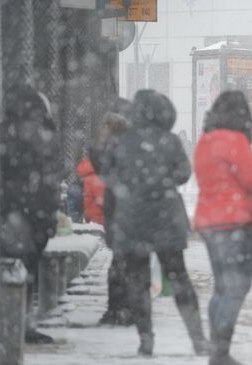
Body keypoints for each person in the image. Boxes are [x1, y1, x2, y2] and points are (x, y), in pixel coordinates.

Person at [103, 90, 209, 356]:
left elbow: (110, 182)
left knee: (138, 280)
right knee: (179, 277)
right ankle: (197, 338)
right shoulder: (170, 140)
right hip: (166, 219)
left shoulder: (122, 141)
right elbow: (184, 174)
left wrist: (112, 223)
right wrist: (163, 180)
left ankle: (145, 338)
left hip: (132, 219)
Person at [194, 90, 252, 365]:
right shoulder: (236, 141)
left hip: (209, 223)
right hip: (234, 223)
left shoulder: (205, 141)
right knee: (236, 287)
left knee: (222, 287)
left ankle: (217, 347)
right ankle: (220, 352)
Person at [0, 84, 62, 344]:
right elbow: (49, 175)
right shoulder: (41, 133)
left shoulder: (4, 131)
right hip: (34, 212)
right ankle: (22, 324)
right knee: (27, 268)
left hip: (12, 212)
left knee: (11, 266)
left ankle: (10, 323)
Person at [89, 107, 131, 326]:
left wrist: (97, 147)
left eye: (104, 127)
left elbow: (104, 171)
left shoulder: (118, 149)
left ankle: (118, 309)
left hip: (122, 213)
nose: (101, 130)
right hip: (119, 211)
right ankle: (121, 308)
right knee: (122, 263)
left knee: (120, 264)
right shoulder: (119, 148)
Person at [76, 157, 105, 224]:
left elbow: (90, 199)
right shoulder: (95, 179)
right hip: (96, 216)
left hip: (95, 218)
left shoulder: (89, 181)